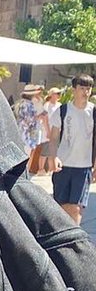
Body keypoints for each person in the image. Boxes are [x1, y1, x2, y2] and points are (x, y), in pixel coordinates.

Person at [48, 73, 96, 224]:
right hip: (63, 165)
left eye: (88, 89)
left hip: (83, 167)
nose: (85, 92)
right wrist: (52, 157)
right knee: (61, 207)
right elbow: (54, 137)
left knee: (76, 208)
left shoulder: (93, 112)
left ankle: (74, 241)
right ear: (73, 90)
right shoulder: (62, 111)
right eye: (82, 88)